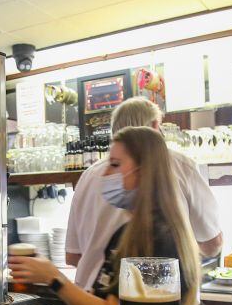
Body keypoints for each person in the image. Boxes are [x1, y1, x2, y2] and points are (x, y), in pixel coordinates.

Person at [10, 127, 201, 305]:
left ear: (144, 172)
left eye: (115, 164)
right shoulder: (128, 233)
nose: (106, 173)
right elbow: (100, 301)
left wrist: (53, 278)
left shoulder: (157, 238)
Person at [64, 97, 222, 291]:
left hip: (93, 304)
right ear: (156, 126)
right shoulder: (182, 168)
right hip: (155, 304)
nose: (109, 173)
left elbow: (73, 256)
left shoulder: (88, 176)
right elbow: (213, 244)